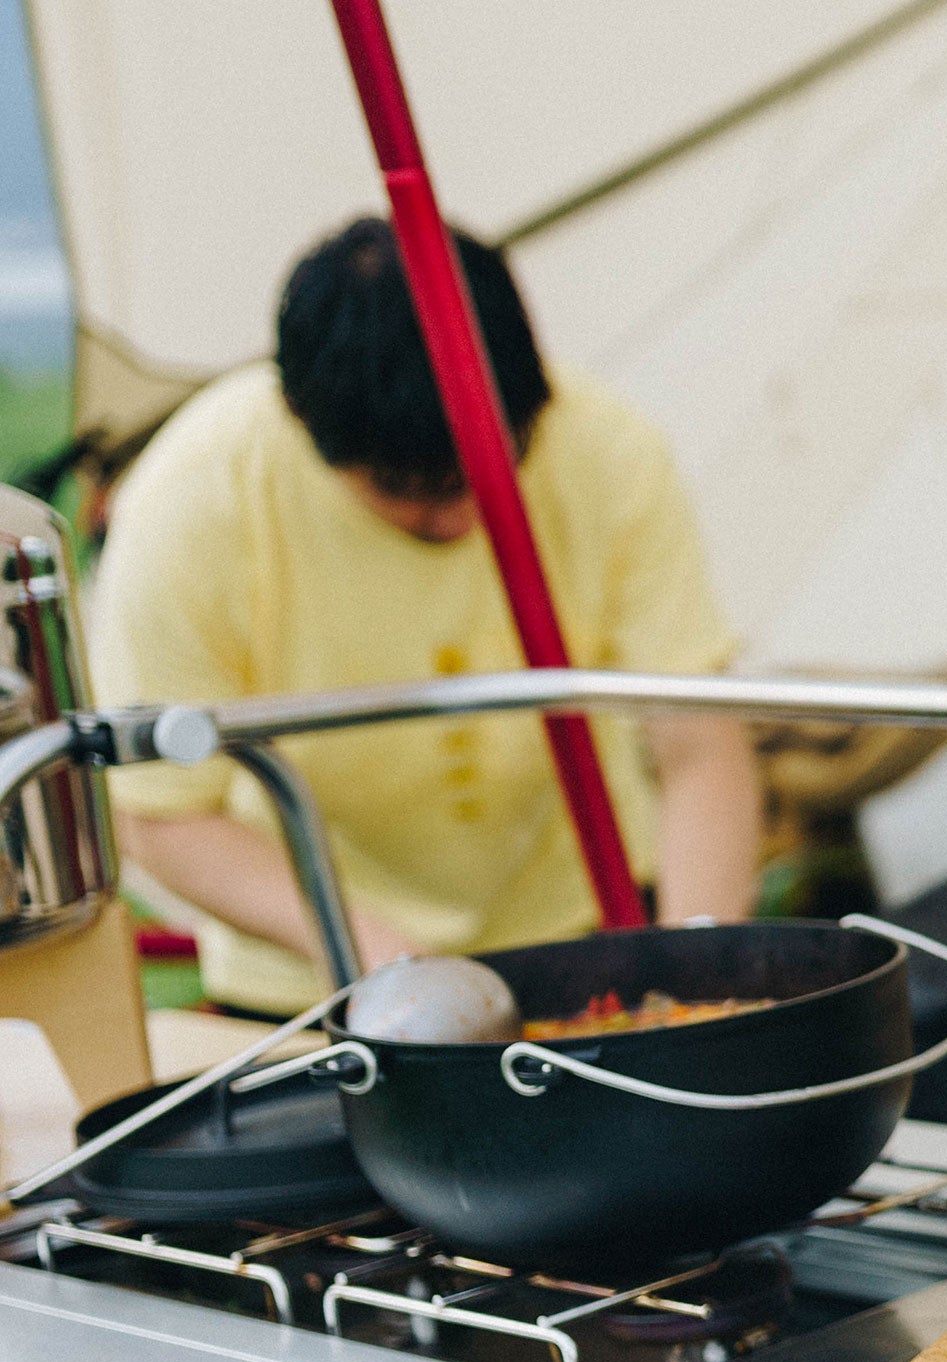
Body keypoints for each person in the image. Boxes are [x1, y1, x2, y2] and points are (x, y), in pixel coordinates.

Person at [92, 218, 760, 1015]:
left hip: (583, 947)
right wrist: (388, 961)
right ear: (306, 430)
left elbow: (697, 749)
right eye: (410, 489)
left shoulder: (610, 453)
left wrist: (694, 982)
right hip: (317, 988)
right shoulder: (192, 505)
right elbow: (159, 815)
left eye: (487, 471)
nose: (458, 518)